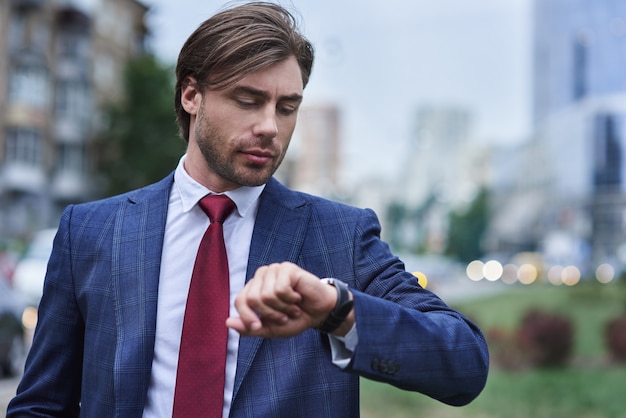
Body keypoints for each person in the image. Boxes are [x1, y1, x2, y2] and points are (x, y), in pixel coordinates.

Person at [7, 2, 489, 417]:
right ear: (191, 94)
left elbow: (464, 364)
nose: (270, 127)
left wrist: (336, 311)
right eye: (248, 100)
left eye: (286, 107)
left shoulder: (340, 235)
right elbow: (41, 405)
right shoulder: (92, 232)